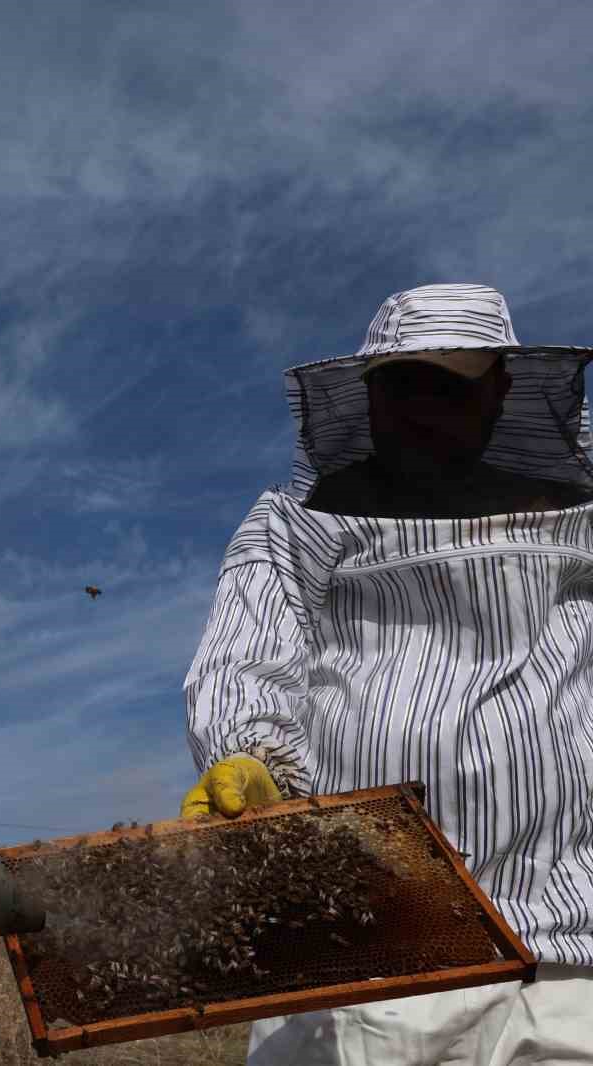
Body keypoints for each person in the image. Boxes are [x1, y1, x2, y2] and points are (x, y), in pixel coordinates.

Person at [182, 283, 593, 1065]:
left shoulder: (577, 517)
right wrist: (251, 758)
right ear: (368, 394)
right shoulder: (298, 521)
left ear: (500, 390)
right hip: (364, 941)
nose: (422, 407)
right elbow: (249, 651)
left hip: (566, 944)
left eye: (450, 385)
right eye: (402, 384)